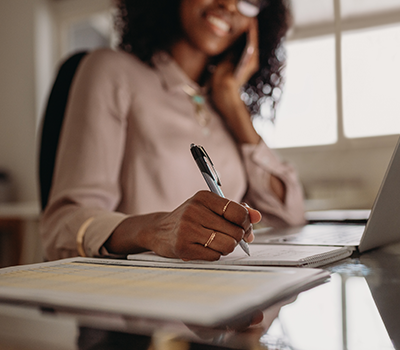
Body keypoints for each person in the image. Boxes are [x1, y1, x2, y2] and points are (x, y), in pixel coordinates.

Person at [40, 0, 306, 261]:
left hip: (222, 292)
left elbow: (291, 217)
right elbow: (60, 228)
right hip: (138, 294)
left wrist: (232, 102)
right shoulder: (111, 71)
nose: (229, 4)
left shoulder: (224, 106)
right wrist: (154, 231)